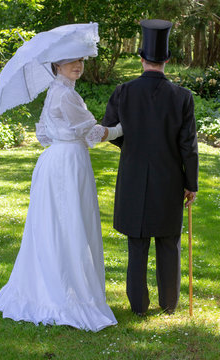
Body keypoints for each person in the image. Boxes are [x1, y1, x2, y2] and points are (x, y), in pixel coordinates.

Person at [0, 55, 123, 331]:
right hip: (68, 164)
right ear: (56, 66)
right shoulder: (65, 95)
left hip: (57, 161)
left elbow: (45, 135)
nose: (78, 65)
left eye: (80, 61)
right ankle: (66, 291)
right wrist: (121, 129)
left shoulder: (57, 92)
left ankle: (58, 282)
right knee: (70, 222)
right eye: (70, 61)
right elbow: (91, 133)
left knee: (55, 224)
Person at [102, 19, 199, 315]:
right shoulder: (182, 96)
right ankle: (169, 304)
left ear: (141, 58)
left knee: (137, 243)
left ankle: (139, 307)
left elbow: (110, 130)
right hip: (170, 179)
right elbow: (188, 146)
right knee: (168, 242)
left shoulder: (123, 91)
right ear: (167, 60)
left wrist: (132, 147)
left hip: (133, 177)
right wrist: (191, 183)